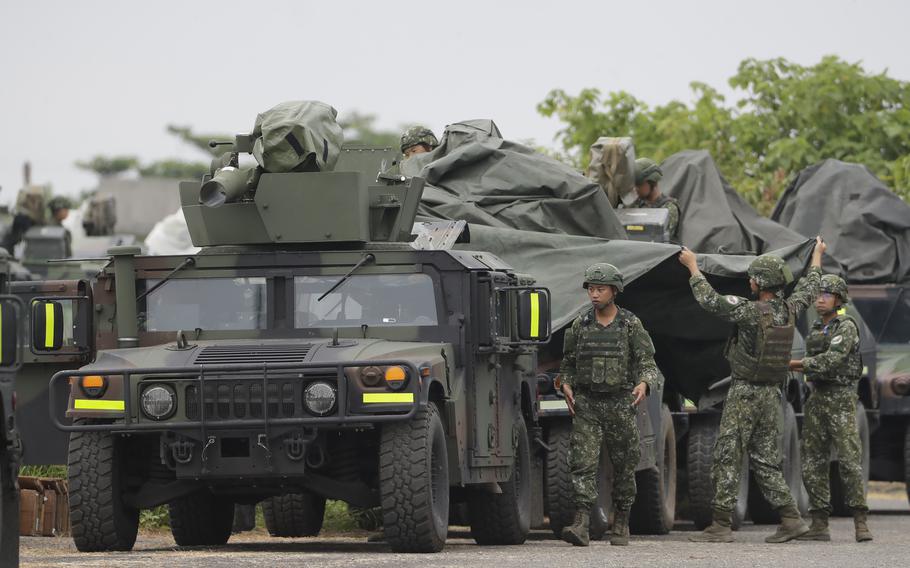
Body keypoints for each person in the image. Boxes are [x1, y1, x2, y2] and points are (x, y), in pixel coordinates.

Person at [679, 237, 825, 543]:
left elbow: (711, 301)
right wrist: (817, 256)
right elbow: (811, 286)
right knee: (764, 459)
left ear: (760, 283)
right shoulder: (789, 309)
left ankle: (720, 524)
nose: (749, 282)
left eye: (752, 279)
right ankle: (791, 519)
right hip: (773, 394)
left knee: (727, 455)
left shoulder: (749, 311)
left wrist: (692, 266)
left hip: (745, 393)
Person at [558, 263, 661, 546]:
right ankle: (582, 523)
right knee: (582, 464)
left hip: (620, 405)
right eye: (591, 288)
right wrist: (565, 383)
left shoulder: (630, 325)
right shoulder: (581, 324)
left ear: (614, 291)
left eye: (600, 289)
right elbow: (567, 364)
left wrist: (644, 383)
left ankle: (622, 522)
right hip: (587, 405)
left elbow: (647, 363)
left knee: (625, 465)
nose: (594, 294)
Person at [790, 274, 873, 542]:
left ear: (838, 299)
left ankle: (860, 522)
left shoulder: (845, 326)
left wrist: (796, 365)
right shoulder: (816, 327)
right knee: (813, 461)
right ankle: (819, 523)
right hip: (817, 398)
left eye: (826, 295)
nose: (820, 299)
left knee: (849, 461)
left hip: (841, 400)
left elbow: (832, 360)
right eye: (817, 295)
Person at [629, 158, 680, 242]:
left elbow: (659, 238)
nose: (635, 189)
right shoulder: (635, 205)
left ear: (652, 182)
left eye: (639, 184)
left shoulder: (669, 208)